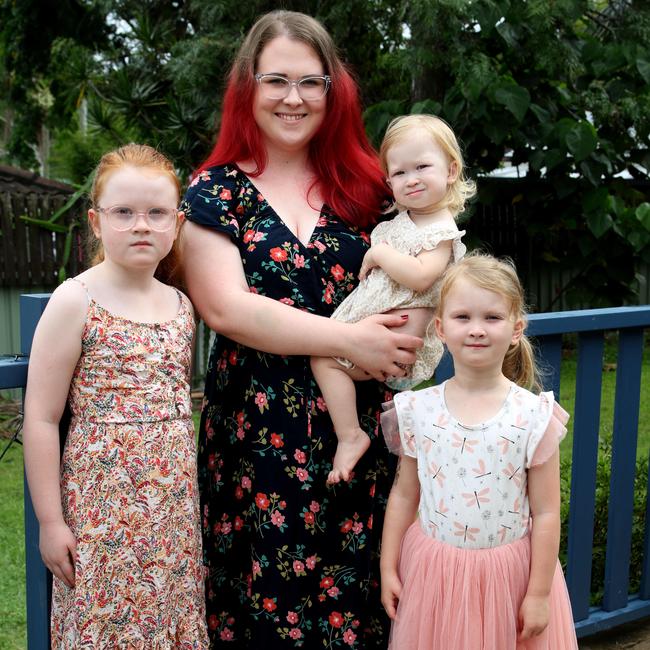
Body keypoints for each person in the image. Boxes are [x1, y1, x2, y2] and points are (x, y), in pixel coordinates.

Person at [180, 9, 423, 648]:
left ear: (332, 90)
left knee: (362, 602)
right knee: (267, 610)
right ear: (247, 88)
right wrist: (348, 340)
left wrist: (403, 345)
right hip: (257, 437)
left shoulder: (369, 187)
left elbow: (431, 268)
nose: (294, 98)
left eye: (311, 82)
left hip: (361, 431)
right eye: (276, 80)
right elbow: (227, 309)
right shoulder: (216, 191)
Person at [23, 144, 208, 649]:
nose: (141, 225)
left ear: (176, 222)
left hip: (170, 508)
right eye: (123, 212)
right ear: (97, 222)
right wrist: (50, 521)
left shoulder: (181, 304)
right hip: (100, 510)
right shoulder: (75, 299)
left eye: (156, 213)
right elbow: (40, 418)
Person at [380, 254, 579, 649]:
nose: (476, 330)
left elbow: (546, 512)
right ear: (440, 328)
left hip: (509, 579)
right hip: (436, 577)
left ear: (516, 328)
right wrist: (388, 566)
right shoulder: (419, 410)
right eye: (462, 317)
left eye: (492, 317)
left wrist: (538, 594)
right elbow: (404, 495)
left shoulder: (533, 416)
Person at [312, 114, 474, 485]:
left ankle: (351, 435)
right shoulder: (405, 220)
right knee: (324, 353)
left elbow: (420, 276)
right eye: (399, 173)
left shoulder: (442, 231)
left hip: (396, 338)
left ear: (450, 170)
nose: (411, 179)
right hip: (375, 329)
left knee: (324, 358)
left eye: (422, 167)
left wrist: (380, 254)